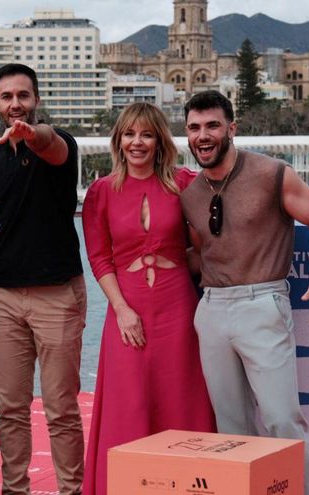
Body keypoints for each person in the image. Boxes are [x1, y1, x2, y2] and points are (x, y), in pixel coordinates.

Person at [181, 90, 309, 495]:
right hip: (211, 309)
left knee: (282, 419)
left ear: (232, 128)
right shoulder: (190, 194)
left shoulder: (272, 173)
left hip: (262, 303)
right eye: (195, 127)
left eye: (212, 125)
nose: (203, 135)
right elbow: (202, 253)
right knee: (230, 427)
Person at [81, 103, 216, 495]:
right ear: (118, 141)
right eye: (129, 134)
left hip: (178, 310)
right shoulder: (101, 192)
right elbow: (99, 257)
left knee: (182, 400)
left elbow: (209, 240)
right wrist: (122, 310)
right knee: (129, 404)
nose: (137, 142)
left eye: (146, 134)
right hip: (126, 310)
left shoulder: (185, 183)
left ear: (160, 142)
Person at [0, 63, 87, 495]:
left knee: (61, 407)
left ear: (36, 99)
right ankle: (14, 489)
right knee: (10, 409)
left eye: (23, 95)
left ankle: (70, 489)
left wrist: (31, 134)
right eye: (7, 97)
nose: (15, 104)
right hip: (4, 295)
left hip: (58, 294)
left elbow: (52, 146)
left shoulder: (60, 144)